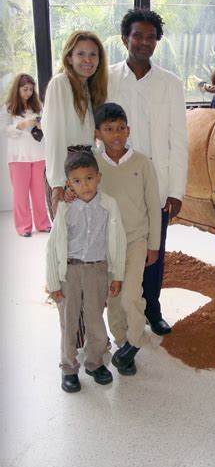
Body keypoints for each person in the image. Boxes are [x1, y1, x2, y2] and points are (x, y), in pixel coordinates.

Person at [107, 7, 188, 336]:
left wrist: (176, 190)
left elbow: (179, 140)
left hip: (157, 185)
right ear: (125, 38)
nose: (144, 42)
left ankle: (152, 309)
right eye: (137, 35)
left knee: (154, 251)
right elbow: (89, 128)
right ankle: (119, 310)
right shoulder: (106, 78)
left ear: (158, 42)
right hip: (114, 184)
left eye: (151, 37)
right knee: (115, 249)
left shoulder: (171, 84)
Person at [46, 147, 126, 394]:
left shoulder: (109, 205)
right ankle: (69, 368)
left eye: (89, 178)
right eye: (77, 181)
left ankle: (94, 362)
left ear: (99, 177)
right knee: (69, 322)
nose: (85, 185)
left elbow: (118, 240)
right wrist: (53, 284)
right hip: (69, 272)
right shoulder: (65, 208)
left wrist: (117, 275)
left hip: (97, 271)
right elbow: (52, 247)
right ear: (69, 183)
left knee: (95, 320)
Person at [94, 103, 162, 374]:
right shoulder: (94, 164)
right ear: (98, 133)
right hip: (106, 243)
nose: (116, 135)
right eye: (109, 130)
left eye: (120, 128)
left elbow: (153, 206)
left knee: (132, 293)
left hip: (136, 240)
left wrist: (153, 245)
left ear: (128, 130)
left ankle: (135, 341)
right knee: (114, 297)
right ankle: (123, 342)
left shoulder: (142, 163)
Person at [42, 30, 108, 217]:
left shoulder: (89, 89)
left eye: (93, 54)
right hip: (66, 171)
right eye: (81, 54)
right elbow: (54, 136)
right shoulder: (60, 83)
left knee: (87, 236)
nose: (88, 60)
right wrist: (58, 184)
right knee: (67, 238)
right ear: (69, 58)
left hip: (86, 169)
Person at [3, 73, 51, 236]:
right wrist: (21, 125)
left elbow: (47, 125)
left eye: (31, 89)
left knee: (39, 193)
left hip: (38, 155)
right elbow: (4, 130)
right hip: (18, 157)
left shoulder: (37, 106)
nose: (28, 92)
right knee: (20, 195)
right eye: (25, 89)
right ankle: (23, 227)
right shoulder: (8, 107)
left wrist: (40, 124)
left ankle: (43, 224)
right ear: (17, 89)